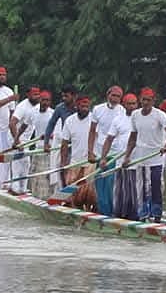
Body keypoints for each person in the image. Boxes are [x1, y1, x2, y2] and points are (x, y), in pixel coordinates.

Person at [123, 88, 166, 222]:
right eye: (143, 100)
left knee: (155, 187)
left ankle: (157, 217)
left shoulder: (160, 115)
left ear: (153, 101)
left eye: (149, 100)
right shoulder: (135, 115)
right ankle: (143, 215)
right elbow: (132, 138)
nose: (145, 102)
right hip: (141, 158)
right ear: (140, 99)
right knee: (141, 188)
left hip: (156, 158)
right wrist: (127, 156)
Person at [100, 93, 139, 219]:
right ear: (124, 105)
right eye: (129, 104)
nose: (132, 106)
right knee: (119, 192)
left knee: (134, 193)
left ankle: (135, 217)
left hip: (137, 162)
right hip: (120, 162)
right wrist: (103, 158)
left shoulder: (140, 118)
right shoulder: (118, 119)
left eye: (134, 103)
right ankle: (118, 216)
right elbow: (109, 139)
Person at [87, 86, 123, 214]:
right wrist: (90, 151)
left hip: (115, 154)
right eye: (113, 96)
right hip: (99, 153)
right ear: (108, 95)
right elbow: (92, 131)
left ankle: (110, 212)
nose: (115, 99)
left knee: (110, 184)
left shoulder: (122, 111)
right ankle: (102, 211)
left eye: (118, 97)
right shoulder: (98, 109)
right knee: (99, 184)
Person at [59, 96, 96, 208]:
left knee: (89, 192)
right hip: (75, 161)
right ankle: (75, 209)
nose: (85, 109)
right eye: (82, 106)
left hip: (91, 161)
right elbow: (64, 143)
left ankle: (91, 212)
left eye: (87, 106)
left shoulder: (94, 120)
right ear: (77, 106)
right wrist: (63, 162)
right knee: (74, 190)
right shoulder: (70, 121)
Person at [8, 86, 40, 194]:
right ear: (28, 95)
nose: (37, 97)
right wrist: (17, 142)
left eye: (38, 94)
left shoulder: (39, 107)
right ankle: (14, 188)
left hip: (27, 139)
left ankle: (23, 188)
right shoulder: (22, 107)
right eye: (34, 94)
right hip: (16, 137)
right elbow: (12, 124)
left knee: (26, 164)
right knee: (18, 164)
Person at [25, 91, 55, 198]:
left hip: (49, 150)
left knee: (45, 177)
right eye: (43, 100)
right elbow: (24, 125)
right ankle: (34, 197)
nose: (45, 102)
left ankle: (46, 198)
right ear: (39, 100)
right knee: (34, 175)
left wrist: (49, 136)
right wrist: (16, 140)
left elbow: (59, 133)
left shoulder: (53, 114)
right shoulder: (32, 112)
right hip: (37, 149)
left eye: (48, 100)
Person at [43, 85, 78, 151]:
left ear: (74, 96)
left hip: (79, 141)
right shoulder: (60, 108)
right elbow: (51, 125)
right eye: (63, 96)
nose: (64, 98)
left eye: (66, 96)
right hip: (66, 142)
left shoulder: (81, 108)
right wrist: (46, 143)